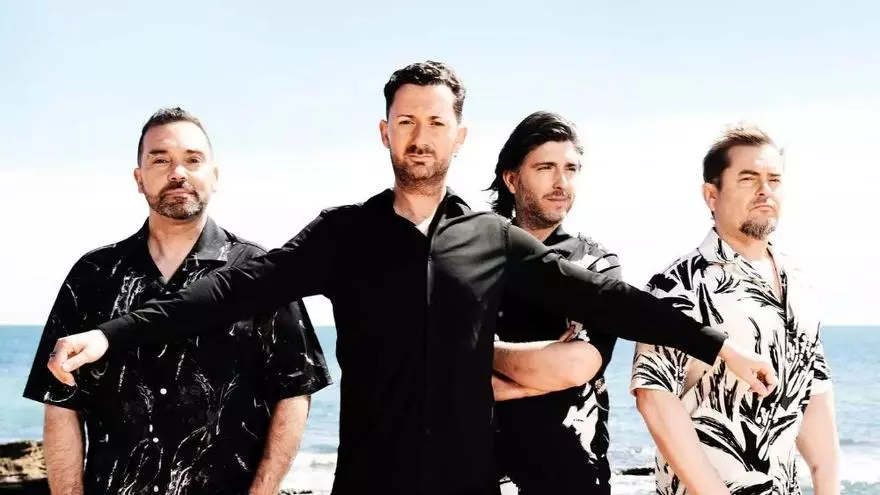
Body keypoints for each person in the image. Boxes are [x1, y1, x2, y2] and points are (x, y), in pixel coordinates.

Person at [46, 62, 775, 495]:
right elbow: (231, 289)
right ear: (384, 132)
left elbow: (608, 299)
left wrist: (719, 345)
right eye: (405, 121)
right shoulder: (342, 234)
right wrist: (110, 335)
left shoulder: (492, 239)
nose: (420, 137)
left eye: (435, 122)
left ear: (459, 135)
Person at [23, 107, 331, 495]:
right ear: (139, 178)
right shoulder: (92, 277)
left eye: (192, 160)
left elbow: (294, 392)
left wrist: (262, 491)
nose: (177, 173)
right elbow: (60, 404)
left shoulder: (259, 272)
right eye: (160, 160)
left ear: (215, 176)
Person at [630, 124, 839, 495]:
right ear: (712, 195)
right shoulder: (679, 284)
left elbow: (813, 396)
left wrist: (827, 486)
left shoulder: (800, 283)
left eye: (774, 179)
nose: (765, 190)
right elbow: (654, 400)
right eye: (748, 179)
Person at [488, 111, 621, 494]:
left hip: (573, 477)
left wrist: (480, 353)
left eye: (570, 169)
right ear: (511, 179)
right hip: (477, 474)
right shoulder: (470, 259)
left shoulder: (595, 266)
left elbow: (576, 365)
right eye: (546, 168)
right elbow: (439, 370)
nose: (561, 182)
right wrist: (538, 369)